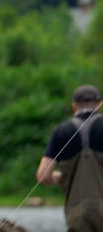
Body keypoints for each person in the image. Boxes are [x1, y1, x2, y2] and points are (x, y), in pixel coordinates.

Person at [36, 84, 103, 232]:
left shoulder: (61, 131)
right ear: (98, 104)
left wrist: (62, 177)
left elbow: (43, 176)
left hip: (78, 213)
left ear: (74, 106)